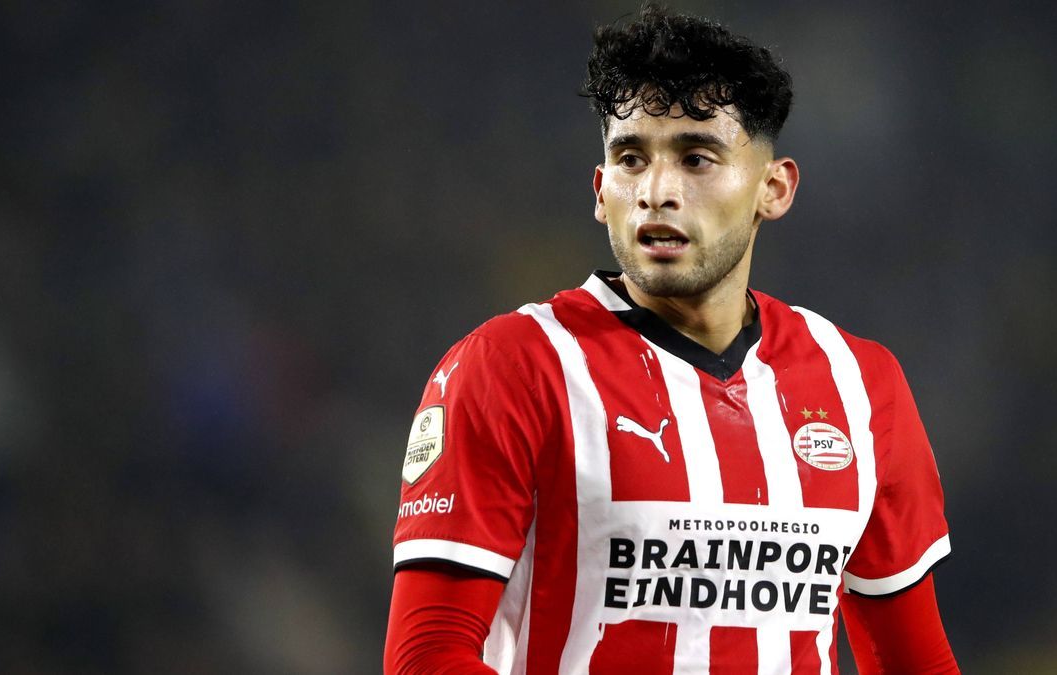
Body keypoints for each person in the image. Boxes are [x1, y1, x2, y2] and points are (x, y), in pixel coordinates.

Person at [385, 5, 958, 673]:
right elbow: (427, 656)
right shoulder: (514, 366)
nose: (657, 190)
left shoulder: (860, 384)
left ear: (773, 188)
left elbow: (915, 659)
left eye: (696, 157)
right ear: (601, 190)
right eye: (631, 158)